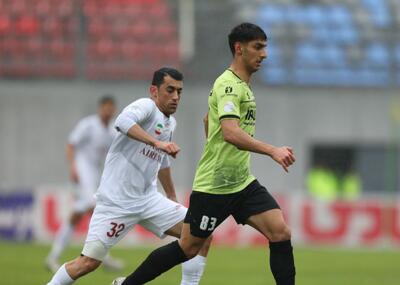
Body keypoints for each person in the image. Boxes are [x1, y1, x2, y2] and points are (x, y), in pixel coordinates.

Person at [114, 22, 296, 285]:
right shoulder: (229, 85)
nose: (264, 54)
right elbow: (231, 133)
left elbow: (207, 120)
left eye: (265, 47)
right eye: (258, 47)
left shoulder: (242, 86)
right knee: (188, 247)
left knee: (280, 232)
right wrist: (272, 151)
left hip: (242, 182)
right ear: (239, 49)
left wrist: (216, 147)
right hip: (214, 187)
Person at [46, 67, 211, 285]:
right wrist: (156, 142)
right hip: (116, 202)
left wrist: (171, 194)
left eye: (179, 92)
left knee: (201, 232)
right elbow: (122, 121)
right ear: (154, 90)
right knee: (87, 263)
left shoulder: (170, 122)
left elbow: (161, 159)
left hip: (148, 199)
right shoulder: (146, 106)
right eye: (170, 90)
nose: (175, 97)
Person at [46, 95, 124, 273]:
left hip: (95, 173)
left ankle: (53, 257)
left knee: (77, 215)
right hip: (82, 170)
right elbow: (71, 144)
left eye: (112, 107)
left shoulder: (112, 131)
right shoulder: (88, 125)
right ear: (100, 107)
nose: (109, 110)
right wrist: (73, 166)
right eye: (106, 107)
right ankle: (103, 256)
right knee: (95, 208)